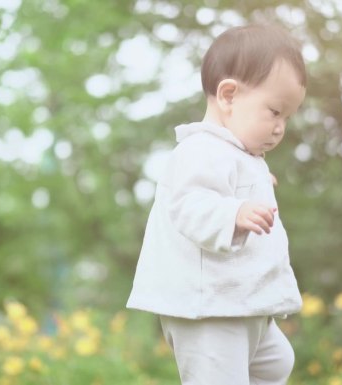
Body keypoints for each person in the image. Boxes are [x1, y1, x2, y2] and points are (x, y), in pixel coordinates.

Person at [126, 20, 307, 385]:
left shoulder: (241, 157)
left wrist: (256, 184)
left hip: (239, 305)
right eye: (274, 111)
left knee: (275, 363)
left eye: (287, 117)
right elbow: (189, 203)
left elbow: (229, 182)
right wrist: (234, 212)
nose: (280, 127)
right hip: (206, 309)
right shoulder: (200, 148)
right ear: (228, 96)